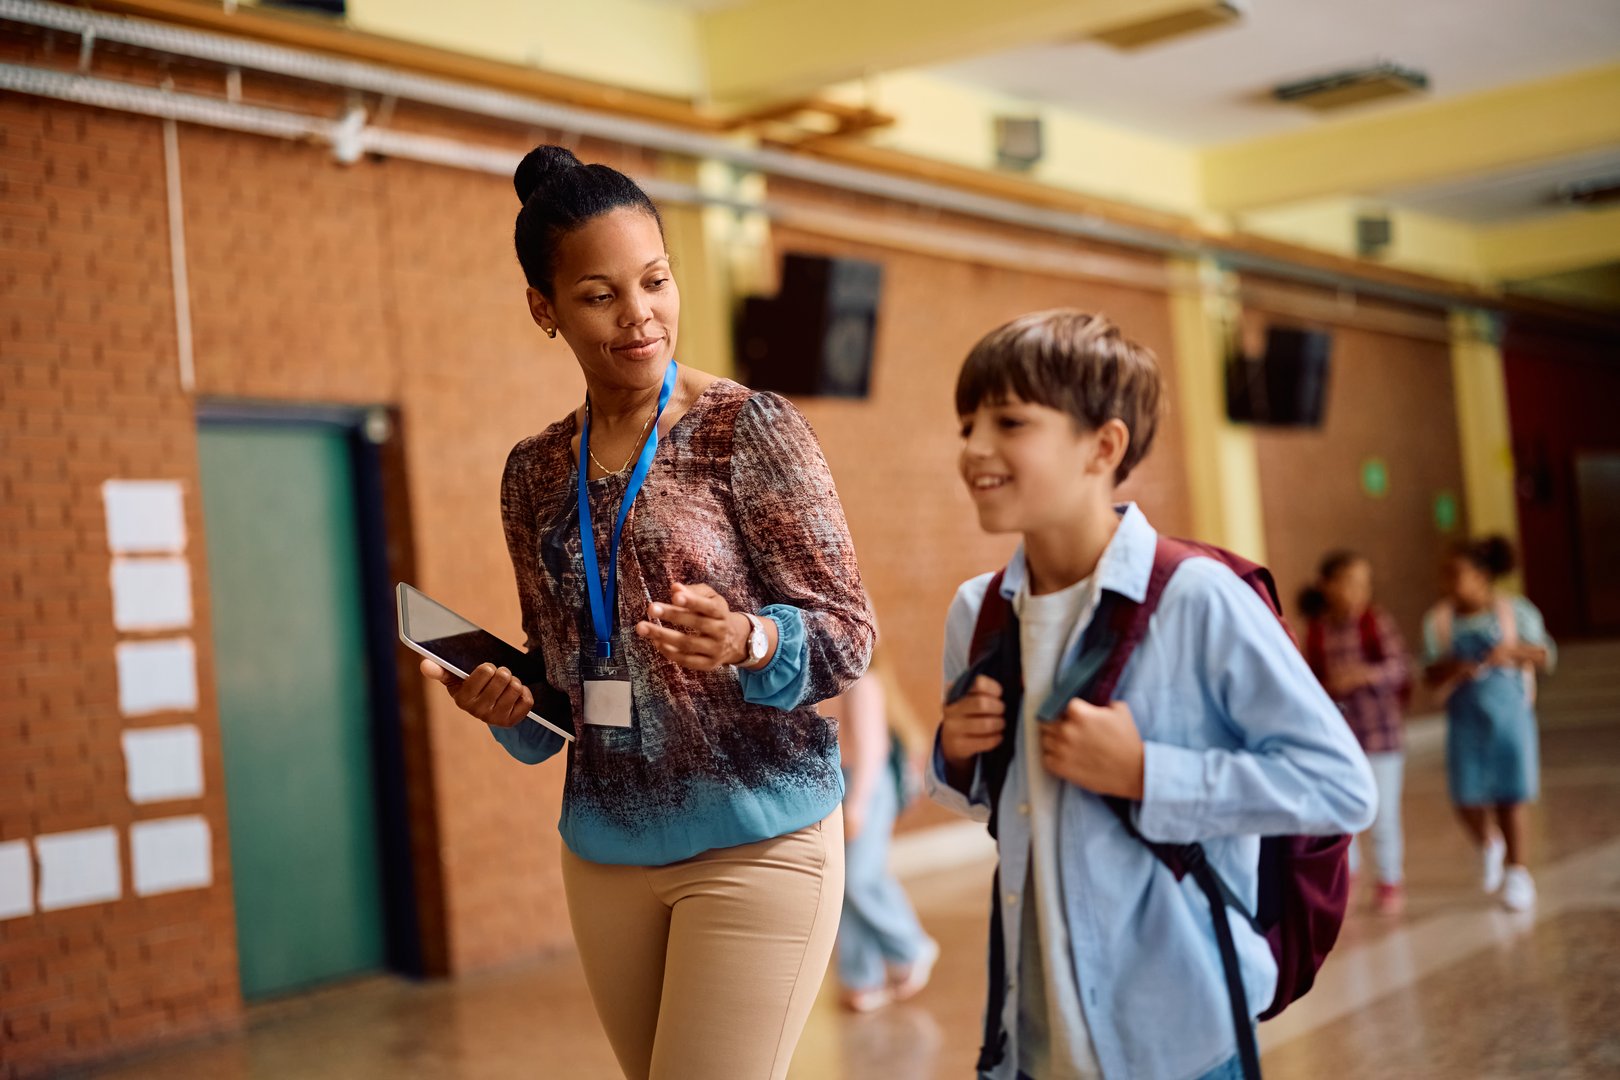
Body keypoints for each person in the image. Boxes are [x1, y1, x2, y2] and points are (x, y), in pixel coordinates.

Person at [419, 145, 875, 1080]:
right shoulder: (533, 473)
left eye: (655, 281)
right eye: (599, 295)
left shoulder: (750, 428)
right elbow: (564, 671)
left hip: (762, 838)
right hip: (606, 850)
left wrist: (753, 637)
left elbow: (849, 634)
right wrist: (512, 705)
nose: (640, 316)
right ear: (544, 309)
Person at [929, 310, 1376, 1080]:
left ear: (1104, 446)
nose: (974, 450)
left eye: (1008, 422)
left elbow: (1340, 788)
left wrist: (1147, 774)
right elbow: (993, 806)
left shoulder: (1196, 598)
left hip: (1183, 1041)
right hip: (1031, 1041)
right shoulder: (982, 611)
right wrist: (955, 753)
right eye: (968, 424)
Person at [1423, 536, 1555, 913]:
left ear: (1482, 577)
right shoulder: (1440, 620)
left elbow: (1545, 653)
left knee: (1510, 795)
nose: (1448, 583)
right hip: (1465, 719)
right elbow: (1429, 670)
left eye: (1457, 574)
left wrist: (1510, 652)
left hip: (1510, 719)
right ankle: (1488, 842)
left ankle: (1517, 871)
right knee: (1465, 795)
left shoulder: (1514, 612)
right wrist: (1453, 667)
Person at [1299, 551, 1412, 915]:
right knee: (1341, 811)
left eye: (1364, 584)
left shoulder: (1374, 623)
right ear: (1326, 586)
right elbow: (1304, 681)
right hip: (1339, 742)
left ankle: (1390, 878)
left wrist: (1367, 674)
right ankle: (1348, 877)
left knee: (1383, 811)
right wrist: (1330, 685)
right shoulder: (1316, 632)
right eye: (1349, 583)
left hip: (1381, 737)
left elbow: (1400, 667)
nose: (1357, 592)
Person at [831, 649, 939, 1013]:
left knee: (860, 878)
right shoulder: (825, 678)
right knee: (843, 885)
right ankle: (862, 977)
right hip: (841, 783)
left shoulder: (860, 679)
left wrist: (858, 804)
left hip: (866, 784)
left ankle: (910, 946)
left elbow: (871, 749)